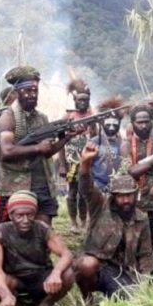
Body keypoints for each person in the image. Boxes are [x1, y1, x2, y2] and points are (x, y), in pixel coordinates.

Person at [73, 142, 153, 300]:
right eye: (120, 196)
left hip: (121, 270)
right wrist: (85, 163)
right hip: (97, 266)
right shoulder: (100, 205)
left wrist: (144, 281)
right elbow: (86, 188)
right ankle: (87, 297)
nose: (125, 200)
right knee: (87, 265)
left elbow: (145, 255)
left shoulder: (141, 218)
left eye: (129, 195)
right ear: (113, 196)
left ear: (135, 194)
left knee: (131, 299)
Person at [0, 66, 65, 227]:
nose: (32, 95)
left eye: (35, 90)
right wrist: (38, 148)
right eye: (27, 91)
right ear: (17, 92)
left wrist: (67, 137)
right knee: (12, 234)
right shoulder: (8, 117)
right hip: (15, 186)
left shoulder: (42, 118)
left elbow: (47, 152)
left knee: (44, 231)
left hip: (42, 183)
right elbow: (6, 151)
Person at [0, 190, 75, 306]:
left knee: (68, 274)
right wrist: (5, 294)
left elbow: (66, 254)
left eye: (30, 215)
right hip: (16, 279)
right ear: (11, 215)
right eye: (19, 215)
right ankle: (12, 304)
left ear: (35, 214)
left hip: (40, 278)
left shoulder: (42, 228)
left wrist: (56, 273)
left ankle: (45, 305)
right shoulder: (0, 232)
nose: (25, 220)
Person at [124, 104, 153, 246]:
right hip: (133, 200)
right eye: (139, 122)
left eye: (146, 122)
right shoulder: (126, 145)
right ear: (132, 124)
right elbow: (130, 172)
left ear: (152, 122)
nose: (143, 126)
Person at [60, 78, 95, 231]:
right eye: (80, 100)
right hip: (70, 160)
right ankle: (73, 222)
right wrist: (62, 164)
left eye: (86, 100)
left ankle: (84, 220)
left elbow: (96, 138)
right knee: (72, 192)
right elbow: (60, 142)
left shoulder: (93, 117)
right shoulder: (67, 117)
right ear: (74, 100)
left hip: (87, 160)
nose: (83, 103)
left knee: (84, 191)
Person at [88, 99, 125, 192]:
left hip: (118, 188)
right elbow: (87, 166)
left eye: (115, 124)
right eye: (108, 124)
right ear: (102, 123)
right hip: (98, 188)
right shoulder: (94, 142)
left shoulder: (123, 143)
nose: (112, 128)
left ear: (119, 124)